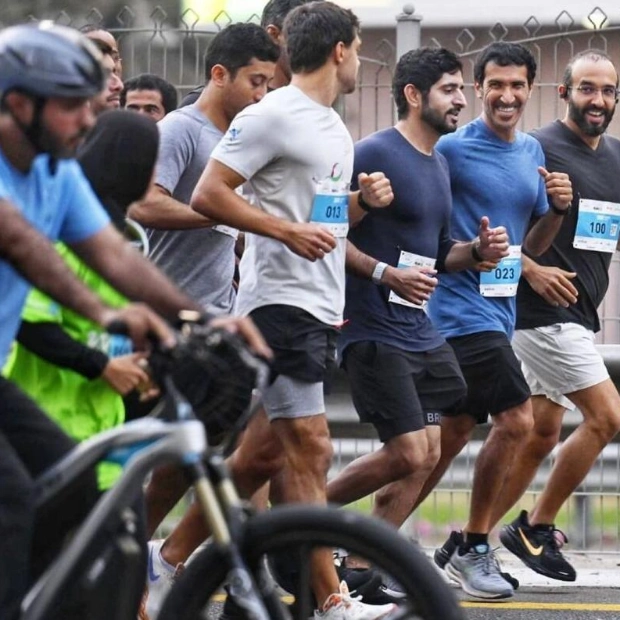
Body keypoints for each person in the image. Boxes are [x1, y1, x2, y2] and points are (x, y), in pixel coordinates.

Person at [0, 23, 269, 620]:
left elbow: (114, 254)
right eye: (71, 107)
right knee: (15, 498)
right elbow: (22, 244)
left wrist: (198, 318)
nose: (88, 122)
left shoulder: (55, 168)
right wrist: (103, 312)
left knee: (71, 493)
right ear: (21, 104)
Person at [191, 2, 396, 618]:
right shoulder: (272, 114)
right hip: (275, 301)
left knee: (262, 456)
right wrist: (282, 233)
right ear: (339, 50)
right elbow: (208, 194)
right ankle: (333, 598)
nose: (361, 59)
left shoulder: (332, 126)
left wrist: (361, 203)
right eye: (359, 48)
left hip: (317, 307)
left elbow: (325, 225)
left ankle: (170, 558)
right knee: (312, 448)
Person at [324, 45, 509, 569]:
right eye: (449, 90)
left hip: (418, 331)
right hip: (371, 329)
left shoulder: (439, 163)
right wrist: (386, 273)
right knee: (408, 451)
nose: (460, 101)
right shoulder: (374, 153)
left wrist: (476, 254)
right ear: (413, 95)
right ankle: (296, 515)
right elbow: (330, 235)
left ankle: (360, 568)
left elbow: (438, 254)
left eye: (459, 90)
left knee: (429, 452)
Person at [407, 41, 572, 601]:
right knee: (519, 421)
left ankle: (362, 548)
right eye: (495, 85)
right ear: (479, 89)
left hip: (498, 312)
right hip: (456, 309)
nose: (506, 95)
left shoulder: (531, 154)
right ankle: (475, 545)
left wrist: (557, 211)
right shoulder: (450, 148)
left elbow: (533, 245)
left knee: (446, 440)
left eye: (517, 85)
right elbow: (425, 224)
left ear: (531, 89)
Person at [486, 49, 620, 583]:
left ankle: (468, 541)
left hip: (580, 314)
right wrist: (531, 268)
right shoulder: (536, 146)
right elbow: (492, 227)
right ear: (564, 93)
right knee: (608, 416)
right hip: (539, 313)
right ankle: (535, 527)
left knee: (541, 433)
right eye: (587, 89)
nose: (599, 100)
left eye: (608, 91)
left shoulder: (614, 158)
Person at [4, 111, 161, 490]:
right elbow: (30, 322)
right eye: (154, 162)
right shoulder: (67, 238)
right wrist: (101, 365)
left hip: (98, 437)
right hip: (47, 433)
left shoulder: (116, 236)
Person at [129, 22, 279, 313]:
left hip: (220, 314)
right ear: (220, 75)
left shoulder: (236, 139)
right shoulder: (181, 128)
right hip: (168, 316)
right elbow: (144, 205)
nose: (261, 94)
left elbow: (222, 229)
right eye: (255, 81)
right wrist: (221, 212)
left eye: (267, 84)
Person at [178, 0, 313, 107]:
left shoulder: (309, 102)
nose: (315, 52)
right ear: (274, 34)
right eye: (303, 40)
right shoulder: (205, 105)